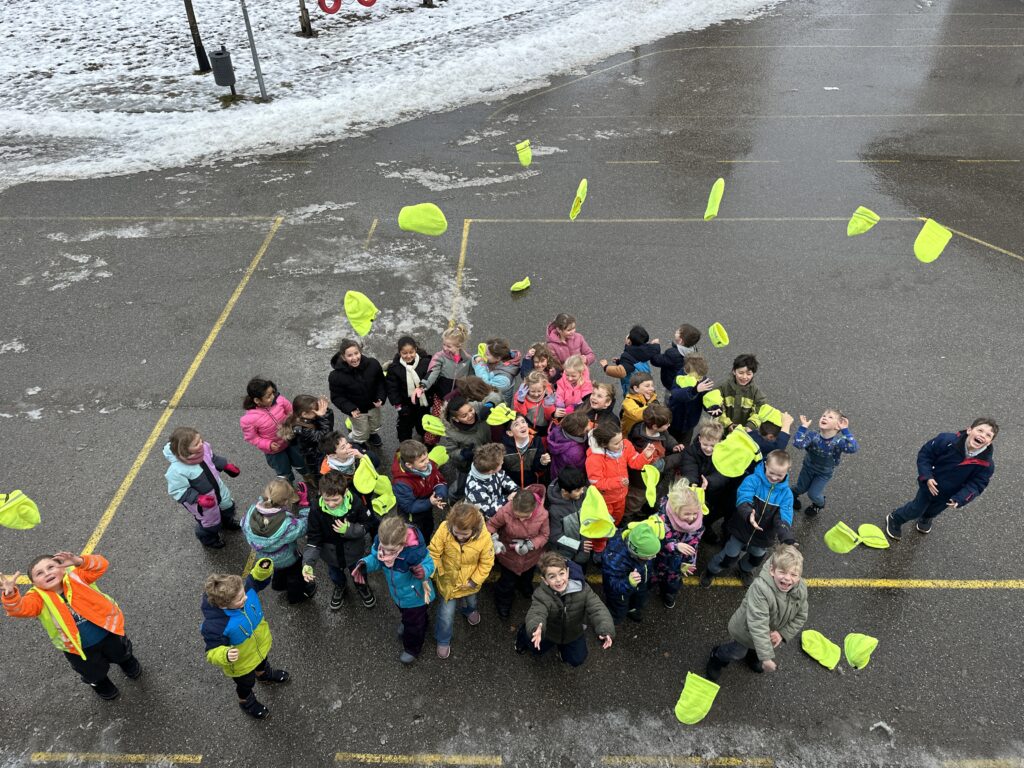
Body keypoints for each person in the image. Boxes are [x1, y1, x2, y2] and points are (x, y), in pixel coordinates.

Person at [2, 552, 141, 701]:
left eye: (51, 567)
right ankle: (102, 685)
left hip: (108, 632)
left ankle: (128, 664)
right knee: (92, 672)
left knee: (122, 653)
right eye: (39, 573)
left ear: (63, 568)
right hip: (78, 648)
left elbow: (101, 565)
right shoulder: (37, 598)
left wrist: (80, 561)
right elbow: (19, 609)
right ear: (34, 584)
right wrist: (10, 595)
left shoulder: (78, 576)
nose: (47, 573)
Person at [705, 544, 807, 682]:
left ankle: (754, 654)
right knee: (737, 652)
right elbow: (758, 623)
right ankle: (717, 656)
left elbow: (801, 615)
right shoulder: (760, 589)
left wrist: (782, 633)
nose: (788, 578)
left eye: (794, 574)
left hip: (767, 634)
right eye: (783, 572)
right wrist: (766, 657)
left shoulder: (800, 588)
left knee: (756, 648)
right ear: (772, 570)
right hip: (746, 632)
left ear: (799, 576)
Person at [201, 560, 288, 718]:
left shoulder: (245, 591)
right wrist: (225, 654)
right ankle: (246, 701)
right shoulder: (215, 626)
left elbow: (255, 579)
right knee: (246, 683)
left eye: (244, 593)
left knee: (263, 661)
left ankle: (264, 674)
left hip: (259, 646)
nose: (245, 598)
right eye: (240, 599)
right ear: (224, 605)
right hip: (242, 664)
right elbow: (211, 652)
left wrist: (262, 567)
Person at [885, 418, 997, 540]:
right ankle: (895, 518)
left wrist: (960, 498)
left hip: (949, 495)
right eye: (980, 430)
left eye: (988, 435)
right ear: (969, 430)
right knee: (916, 509)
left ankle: (926, 517)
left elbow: (977, 485)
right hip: (930, 485)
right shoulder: (946, 441)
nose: (983, 435)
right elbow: (925, 455)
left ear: (989, 442)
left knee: (934, 511)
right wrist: (927, 476)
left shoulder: (986, 465)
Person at [700, 451, 795, 588]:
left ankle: (743, 569)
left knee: (756, 558)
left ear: (788, 471)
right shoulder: (752, 480)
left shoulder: (786, 494)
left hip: (763, 537)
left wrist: (785, 535)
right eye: (771, 472)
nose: (774, 478)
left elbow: (784, 515)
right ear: (766, 464)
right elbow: (743, 498)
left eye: (779, 475)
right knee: (728, 556)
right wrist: (749, 513)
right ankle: (711, 571)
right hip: (741, 529)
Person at [353, 515, 435, 664]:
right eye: (383, 548)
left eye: (391, 550)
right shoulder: (382, 542)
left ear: (403, 542)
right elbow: (377, 559)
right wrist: (365, 563)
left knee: (414, 626)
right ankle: (416, 621)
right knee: (407, 615)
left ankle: (412, 649)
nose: (386, 552)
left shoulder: (415, 551)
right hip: (398, 595)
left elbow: (430, 564)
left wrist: (423, 571)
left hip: (415, 597)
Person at [516, 552, 614, 667]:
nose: (558, 580)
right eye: (552, 576)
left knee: (577, 659)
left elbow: (597, 609)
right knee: (535, 647)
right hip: (549, 633)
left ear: (567, 572)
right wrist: (535, 628)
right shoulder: (541, 594)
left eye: (561, 573)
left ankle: (563, 651)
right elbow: (537, 612)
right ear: (545, 580)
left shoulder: (583, 589)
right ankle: (522, 637)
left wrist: (606, 629)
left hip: (573, 633)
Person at [428, 502, 495, 659]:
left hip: (469, 583)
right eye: (456, 532)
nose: (459, 537)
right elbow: (433, 553)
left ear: (475, 529)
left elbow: (487, 562)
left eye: (464, 534)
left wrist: (474, 581)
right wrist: (429, 572)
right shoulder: (444, 529)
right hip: (448, 583)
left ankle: (469, 610)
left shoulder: (484, 537)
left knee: (471, 601)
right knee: (445, 615)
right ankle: (443, 639)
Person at [301, 471, 376, 611]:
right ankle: (340, 586)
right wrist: (308, 563)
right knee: (335, 574)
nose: (331, 504)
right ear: (320, 493)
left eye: (335, 500)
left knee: (359, 571)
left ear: (345, 492)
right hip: (331, 555)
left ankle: (362, 586)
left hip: (354, 553)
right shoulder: (316, 509)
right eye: (326, 499)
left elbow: (368, 524)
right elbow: (314, 538)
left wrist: (349, 530)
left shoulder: (356, 503)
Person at [163, 426, 241, 549]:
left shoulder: (204, 448)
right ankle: (209, 539)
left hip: (218, 489)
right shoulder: (177, 470)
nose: (201, 444)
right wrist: (198, 498)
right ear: (184, 450)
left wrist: (225, 466)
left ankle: (227, 522)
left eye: (200, 439)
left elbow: (212, 458)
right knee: (210, 523)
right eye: (196, 443)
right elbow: (178, 491)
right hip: (203, 502)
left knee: (227, 507)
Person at [243, 479, 315, 605]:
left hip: (264, 556)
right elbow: (303, 527)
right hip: (287, 558)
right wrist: (304, 505)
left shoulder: (251, 512)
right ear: (286, 502)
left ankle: (279, 585)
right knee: (294, 576)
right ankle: (295, 597)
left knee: (278, 570)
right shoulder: (287, 525)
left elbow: (243, 524)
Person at [487, 485, 550, 619]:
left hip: (531, 557)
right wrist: (494, 540)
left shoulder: (543, 514)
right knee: (507, 584)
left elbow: (544, 535)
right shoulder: (505, 511)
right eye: (517, 516)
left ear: (534, 508)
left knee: (527, 577)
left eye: (525, 517)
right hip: (508, 556)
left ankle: (524, 587)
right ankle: (503, 603)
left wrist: (530, 544)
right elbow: (491, 525)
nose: (521, 519)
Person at [586, 420, 656, 526]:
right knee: (605, 523)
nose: (621, 444)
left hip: (621, 495)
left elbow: (634, 462)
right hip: (605, 499)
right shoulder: (594, 459)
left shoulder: (626, 445)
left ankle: (616, 529)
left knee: (618, 517)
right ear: (604, 444)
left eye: (621, 439)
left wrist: (645, 456)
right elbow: (596, 482)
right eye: (616, 443)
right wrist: (618, 482)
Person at [791, 410, 858, 517]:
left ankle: (819, 504)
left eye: (830, 417)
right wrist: (803, 427)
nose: (824, 417)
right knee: (800, 488)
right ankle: (791, 497)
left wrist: (845, 430)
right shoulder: (813, 435)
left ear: (837, 426)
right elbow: (798, 444)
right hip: (808, 468)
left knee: (813, 494)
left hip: (823, 474)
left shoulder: (838, 442)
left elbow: (853, 448)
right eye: (823, 415)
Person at [240, 377, 307, 482]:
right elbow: (252, 438)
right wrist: (268, 444)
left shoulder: (280, 400)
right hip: (274, 451)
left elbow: (292, 413)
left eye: (272, 393)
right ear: (257, 400)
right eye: (268, 396)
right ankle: (288, 488)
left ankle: (308, 478)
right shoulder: (248, 419)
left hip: (291, 440)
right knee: (284, 472)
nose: (272, 397)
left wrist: (293, 424)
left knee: (301, 462)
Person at [652, 482, 705, 609]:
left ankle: (669, 594)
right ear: (675, 510)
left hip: (676, 564)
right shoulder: (660, 519)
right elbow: (656, 538)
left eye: (695, 513)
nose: (692, 518)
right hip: (658, 557)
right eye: (687, 514)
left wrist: (689, 562)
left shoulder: (697, 524)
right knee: (654, 576)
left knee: (672, 582)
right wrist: (675, 545)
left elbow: (694, 545)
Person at [625, 403, 682, 519]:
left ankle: (638, 509)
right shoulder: (647, 447)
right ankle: (627, 516)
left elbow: (666, 437)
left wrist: (674, 446)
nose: (669, 425)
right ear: (655, 426)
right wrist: (679, 457)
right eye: (666, 424)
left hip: (648, 478)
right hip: (640, 481)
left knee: (644, 498)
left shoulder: (645, 427)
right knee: (636, 500)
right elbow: (658, 465)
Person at [328, 338, 387, 449]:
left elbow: (381, 382)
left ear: (360, 352)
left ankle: (372, 434)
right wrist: (350, 408)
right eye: (350, 355)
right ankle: (359, 441)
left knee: (375, 423)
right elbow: (337, 397)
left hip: (374, 406)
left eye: (356, 353)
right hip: (357, 411)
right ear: (343, 357)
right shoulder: (336, 376)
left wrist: (381, 397)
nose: (354, 358)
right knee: (361, 430)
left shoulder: (373, 364)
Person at [601, 520, 662, 624]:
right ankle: (615, 618)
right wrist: (628, 583)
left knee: (639, 600)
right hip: (621, 593)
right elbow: (612, 585)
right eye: (649, 556)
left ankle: (633, 610)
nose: (654, 557)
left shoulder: (644, 541)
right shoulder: (614, 559)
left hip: (640, 585)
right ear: (635, 553)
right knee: (618, 607)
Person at [422, 323, 472, 445]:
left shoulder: (468, 360)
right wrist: (423, 385)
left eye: (449, 346)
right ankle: (430, 442)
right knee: (436, 420)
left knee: (457, 422)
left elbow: (472, 378)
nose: (445, 348)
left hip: (458, 399)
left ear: (459, 345)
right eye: (443, 344)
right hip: (441, 397)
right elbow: (432, 372)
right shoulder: (440, 357)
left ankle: (457, 443)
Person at [392, 439, 448, 541]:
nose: (427, 462)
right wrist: (429, 502)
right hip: (413, 517)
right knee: (417, 535)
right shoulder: (401, 483)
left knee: (428, 527)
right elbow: (409, 506)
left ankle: (426, 541)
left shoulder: (428, 465)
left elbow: (438, 480)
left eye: (427, 457)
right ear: (409, 465)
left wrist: (439, 494)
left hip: (426, 505)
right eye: (422, 461)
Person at [442, 395, 492, 496]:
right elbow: (451, 452)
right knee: (462, 486)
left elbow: (496, 396)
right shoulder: (451, 433)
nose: (470, 415)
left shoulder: (476, 408)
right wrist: (462, 454)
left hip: (489, 456)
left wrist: (490, 404)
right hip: (468, 465)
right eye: (464, 415)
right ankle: (454, 497)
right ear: (456, 419)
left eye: (470, 410)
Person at [282, 395, 335, 492]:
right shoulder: (301, 430)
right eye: (316, 410)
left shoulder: (306, 419)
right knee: (321, 477)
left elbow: (326, 426)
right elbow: (325, 436)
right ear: (304, 414)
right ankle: (323, 491)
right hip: (315, 459)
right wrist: (323, 416)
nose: (318, 411)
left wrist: (326, 411)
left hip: (319, 453)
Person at [702, 354, 767, 432]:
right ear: (734, 371)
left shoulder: (756, 392)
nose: (744, 377)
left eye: (749, 374)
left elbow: (760, 410)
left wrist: (750, 426)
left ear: (753, 374)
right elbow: (716, 407)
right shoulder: (722, 388)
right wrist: (727, 424)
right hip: (723, 429)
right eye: (741, 373)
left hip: (745, 431)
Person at [386, 335, 432, 443]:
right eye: (404, 353)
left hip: (423, 403)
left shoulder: (425, 363)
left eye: (411, 352)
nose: (408, 356)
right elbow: (392, 389)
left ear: (416, 349)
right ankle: (406, 445)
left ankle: (426, 440)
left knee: (423, 424)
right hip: (405, 404)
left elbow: (431, 379)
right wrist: (399, 406)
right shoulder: (394, 368)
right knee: (404, 428)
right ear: (399, 353)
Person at [545, 467, 593, 566]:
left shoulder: (583, 492)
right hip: (566, 555)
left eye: (582, 488)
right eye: (578, 490)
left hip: (584, 549)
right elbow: (555, 536)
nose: (582, 491)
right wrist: (578, 545)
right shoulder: (554, 510)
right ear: (565, 491)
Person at [599, 325, 661, 397]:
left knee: (634, 402)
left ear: (629, 341)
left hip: (634, 390)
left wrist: (606, 367)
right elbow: (633, 362)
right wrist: (619, 361)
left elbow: (621, 372)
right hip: (646, 384)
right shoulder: (646, 350)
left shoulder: (627, 356)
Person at [667, 354, 715, 446]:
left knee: (685, 445)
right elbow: (676, 394)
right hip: (674, 419)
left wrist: (713, 408)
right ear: (686, 371)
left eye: (701, 377)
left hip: (690, 422)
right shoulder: (680, 378)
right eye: (697, 377)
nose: (699, 380)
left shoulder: (703, 380)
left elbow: (707, 398)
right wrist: (694, 390)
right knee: (670, 443)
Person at [464, 443, 520, 519]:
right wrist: (506, 499)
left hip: (496, 502)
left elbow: (503, 477)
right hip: (482, 517)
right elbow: (488, 513)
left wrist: (516, 490)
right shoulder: (476, 490)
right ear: (491, 471)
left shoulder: (487, 469)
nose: (503, 462)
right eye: (501, 463)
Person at [502, 416, 551, 488]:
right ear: (510, 433)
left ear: (527, 425)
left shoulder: (536, 441)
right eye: (516, 424)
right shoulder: (503, 448)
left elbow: (538, 468)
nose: (522, 426)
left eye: (523, 422)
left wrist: (542, 462)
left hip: (532, 486)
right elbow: (503, 472)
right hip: (512, 488)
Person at [651, 323, 701, 392]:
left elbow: (656, 360)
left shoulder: (673, 354)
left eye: (678, 332)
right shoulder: (693, 349)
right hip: (683, 381)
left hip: (672, 383)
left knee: (671, 395)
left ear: (680, 341)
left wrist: (655, 346)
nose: (676, 331)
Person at [472, 338, 522, 405]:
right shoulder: (500, 357)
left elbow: (485, 384)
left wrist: (479, 365)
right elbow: (478, 358)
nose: (484, 355)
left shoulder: (504, 379)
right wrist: (476, 357)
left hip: (497, 405)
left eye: (487, 354)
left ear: (498, 358)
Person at [546, 409, 590, 479]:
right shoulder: (575, 453)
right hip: (566, 479)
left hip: (556, 470)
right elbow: (581, 469)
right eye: (586, 425)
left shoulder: (557, 430)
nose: (589, 427)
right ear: (579, 431)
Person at [513, 371, 557, 437]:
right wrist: (520, 401)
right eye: (532, 391)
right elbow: (521, 415)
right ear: (527, 388)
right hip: (528, 427)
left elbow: (549, 417)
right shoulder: (520, 395)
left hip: (543, 428)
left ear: (544, 388)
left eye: (539, 391)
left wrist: (548, 406)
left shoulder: (549, 396)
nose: (536, 394)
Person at [620, 371, 658, 438]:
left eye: (652, 385)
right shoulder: (628, 402)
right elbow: (636, 414)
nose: (652, 389)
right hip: (629, 436)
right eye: (647, 386)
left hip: (643, 433)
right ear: (636, 388)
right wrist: (652, 407)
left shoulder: (652, 399)